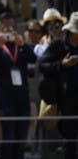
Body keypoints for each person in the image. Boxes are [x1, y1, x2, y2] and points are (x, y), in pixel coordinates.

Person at [0, 12, 36, 159]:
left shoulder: (20, 45)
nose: (9, 31)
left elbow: (34, 59)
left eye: (11, 27)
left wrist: (24, 45)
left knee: (20, 137)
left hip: (22, 97)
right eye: (5, 28)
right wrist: (0, 47)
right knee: (8, 136)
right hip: (5, 99)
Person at [38, 11, 78, 159]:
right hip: (67, 98)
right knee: (70, 137)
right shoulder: (59, 45)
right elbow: (43, 65)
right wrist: (62, 64)